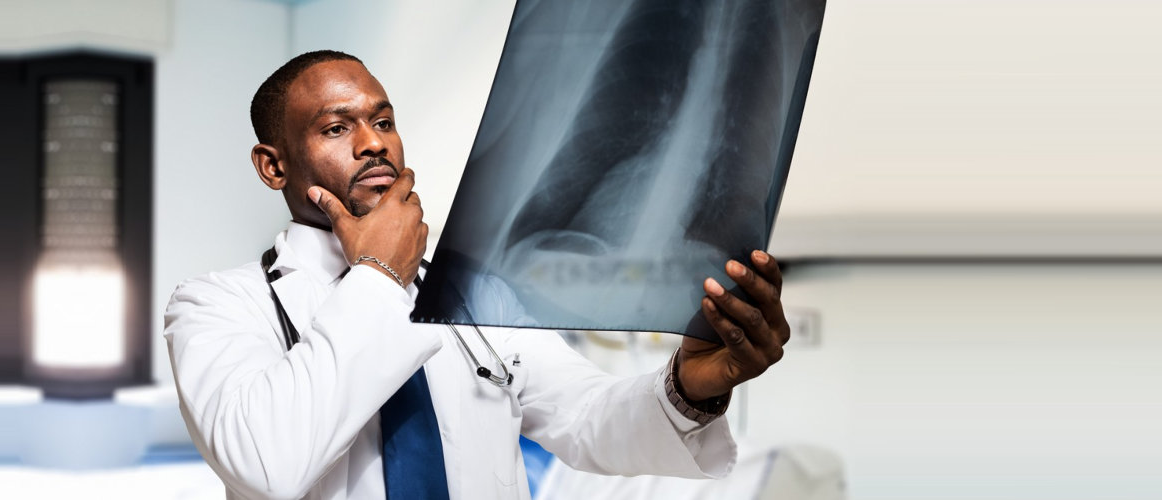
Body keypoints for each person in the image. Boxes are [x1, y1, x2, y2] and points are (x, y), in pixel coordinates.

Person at [165, 50, 795, 500]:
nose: (373, 144)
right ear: (273, 168)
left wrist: (690, 388)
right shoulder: (218, 304)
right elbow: (265, 465)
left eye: (382, 122)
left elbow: (585, 420)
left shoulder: (474, 296)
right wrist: (381, 273)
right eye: (336, 128)